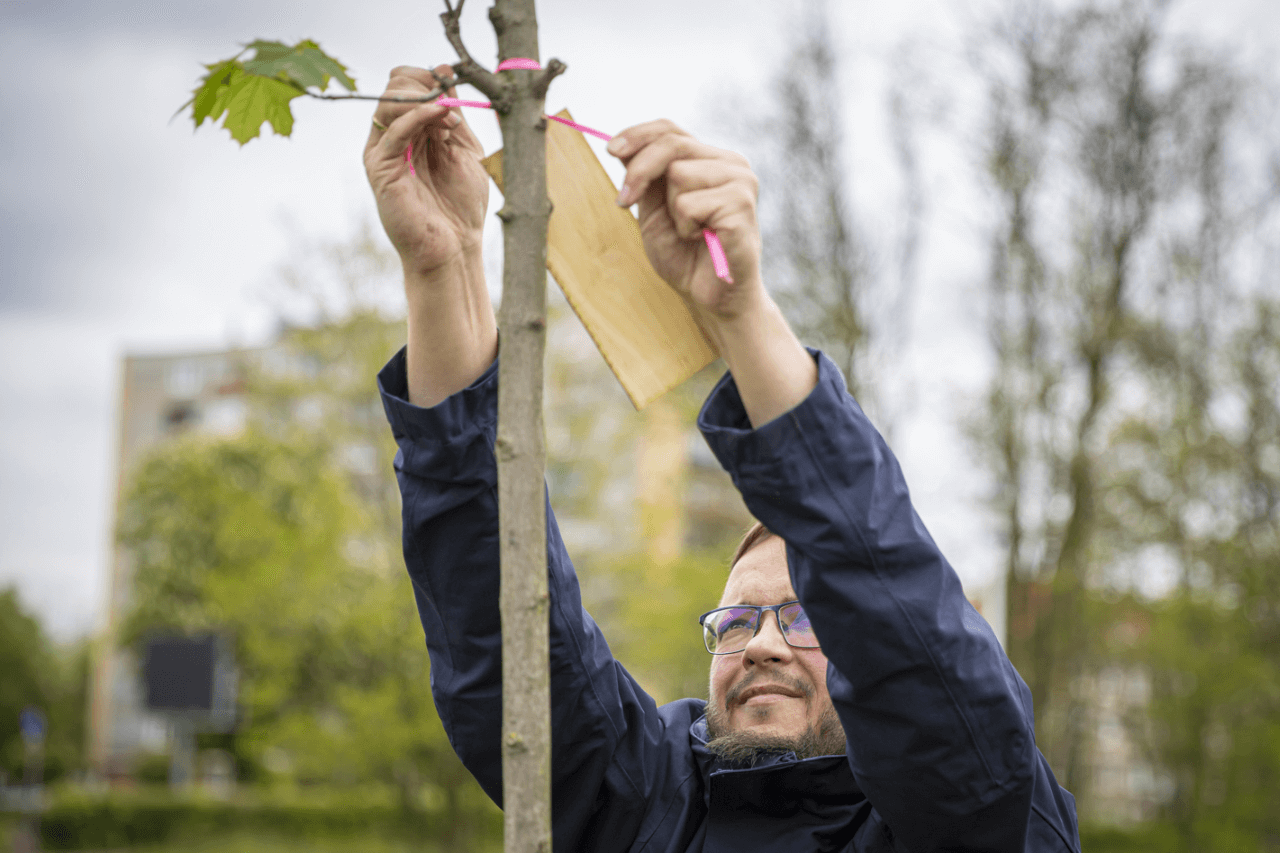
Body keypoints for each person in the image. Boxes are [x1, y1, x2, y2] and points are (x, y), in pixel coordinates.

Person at [365, 65, 1082, 852]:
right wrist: (445, 266)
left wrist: (741, 313)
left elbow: (910, 637)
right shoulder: (649, 797)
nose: (763, 643)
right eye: (738, 619)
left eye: (804, 615)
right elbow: (501, 635)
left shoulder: (976, 813)